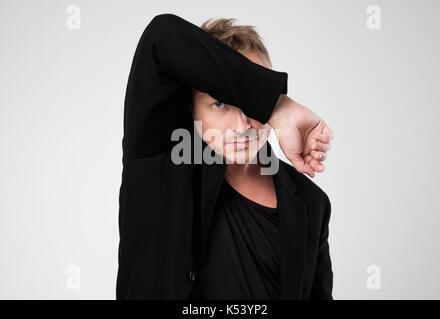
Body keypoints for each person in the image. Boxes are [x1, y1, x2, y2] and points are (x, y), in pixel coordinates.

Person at [116, 13, 334, 300]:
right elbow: (161, 36)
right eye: (219, 103)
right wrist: (279, 108)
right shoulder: (161, 161)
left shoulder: (310, 201)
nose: (243, 125)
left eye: (251, 103)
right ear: (192, 109)